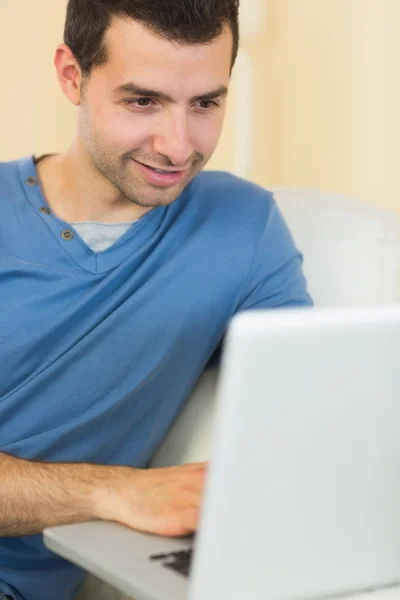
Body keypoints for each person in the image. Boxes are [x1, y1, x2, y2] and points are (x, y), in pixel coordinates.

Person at [0, 0, 313, 599]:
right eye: (142, 101)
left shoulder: (243, 226)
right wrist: (110, 491)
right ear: (72, 75)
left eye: (206, 103)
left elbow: (303, 413)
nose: (177, 146)